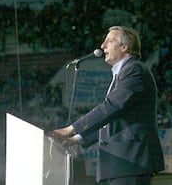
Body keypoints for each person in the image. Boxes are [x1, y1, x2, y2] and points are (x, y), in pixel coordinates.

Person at [50, 26, 164, 185]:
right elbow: (111, 120)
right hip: (122, 163)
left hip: (130, 161)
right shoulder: (122, 73)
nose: (102, 46)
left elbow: (111, 108)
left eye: (109, 41)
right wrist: (77, 139)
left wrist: (71, 129)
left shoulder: (134, 70)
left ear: (124, 47)